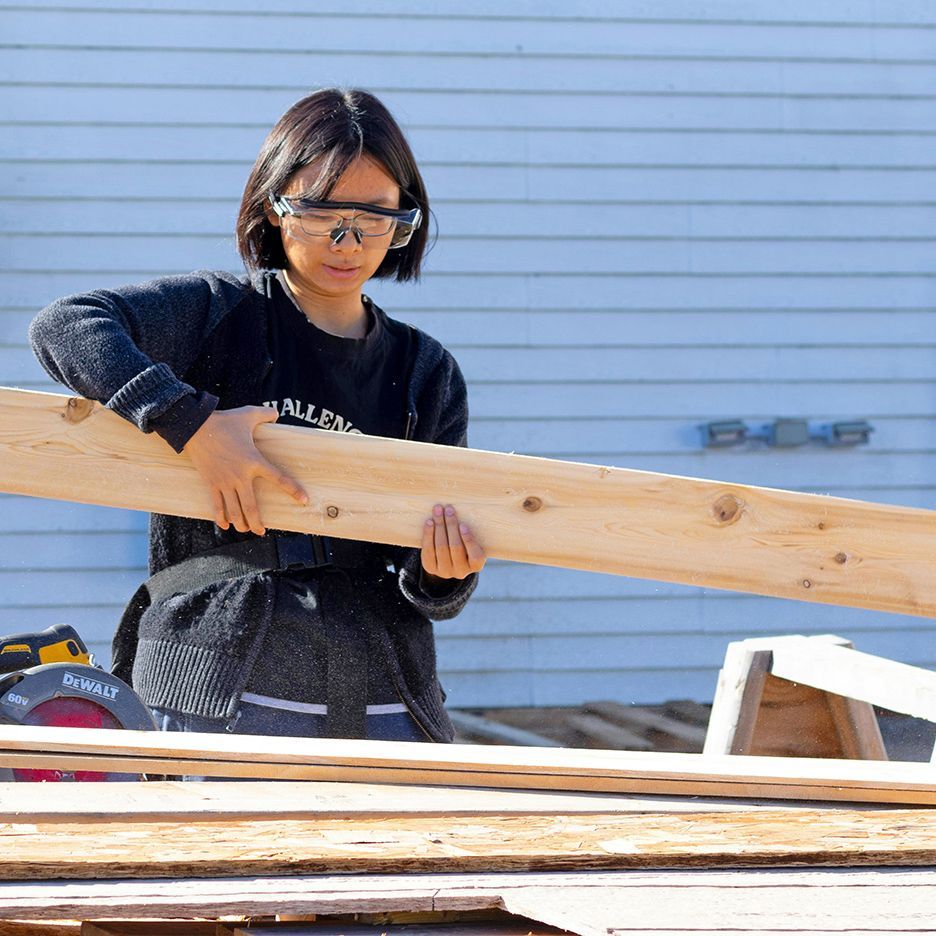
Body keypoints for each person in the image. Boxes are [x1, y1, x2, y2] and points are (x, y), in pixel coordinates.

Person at [29, 88, 485, 744]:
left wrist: (447, 570)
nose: (347, 241)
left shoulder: (427, 373)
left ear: (404, 222)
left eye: (374, 217)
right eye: (322, 211)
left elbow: (426, 589)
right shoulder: (219, 315)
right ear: (274, 205)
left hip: (385, 696)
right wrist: (191, 426)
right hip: (211, 685)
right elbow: (66, 325)